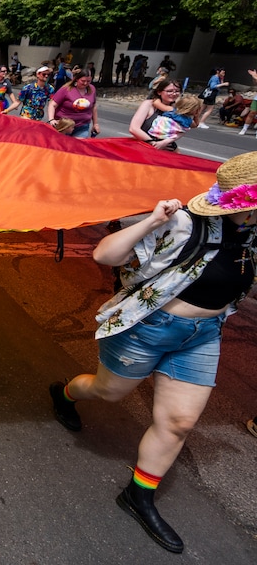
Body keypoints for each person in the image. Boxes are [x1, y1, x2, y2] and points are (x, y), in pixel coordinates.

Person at [48, 151, 257, 554]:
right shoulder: (184, 223)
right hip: (149, 328)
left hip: (203, 335)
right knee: (108, 392)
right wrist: (151, 221)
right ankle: (65, 393)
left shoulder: (251, 233)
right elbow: (104, 255)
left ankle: (138, 496)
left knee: (178, 423)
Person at [135, 93, 202, 152]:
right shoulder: (189, 121)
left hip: (151, 134)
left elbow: (156, 103)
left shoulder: (171, 110)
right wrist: (196, 116)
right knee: (182, 134)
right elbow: (196, 125)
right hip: (166, 140)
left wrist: (157, 96)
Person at [128, 78, 182, 151]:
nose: (174, 94)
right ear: (159, 92)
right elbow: (134, 128)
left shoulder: (178, 109)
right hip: (143, 147)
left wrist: (165, 142)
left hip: (167, 150)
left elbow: (183, 130)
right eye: (169, 91)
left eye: (177, 91)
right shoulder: (148, 104)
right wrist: (153, 143)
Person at [46, 69, 99, 138]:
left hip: (82, 126)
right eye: (83, 81)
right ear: (76, 79)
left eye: (88, 81)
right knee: (62, 144)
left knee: (77, 144)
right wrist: (51, 119)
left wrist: (95, 124)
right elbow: (52, 104)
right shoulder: (66, 89)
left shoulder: (92, 89)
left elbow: (93, 107)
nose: (85, 83)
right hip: (65, 126)